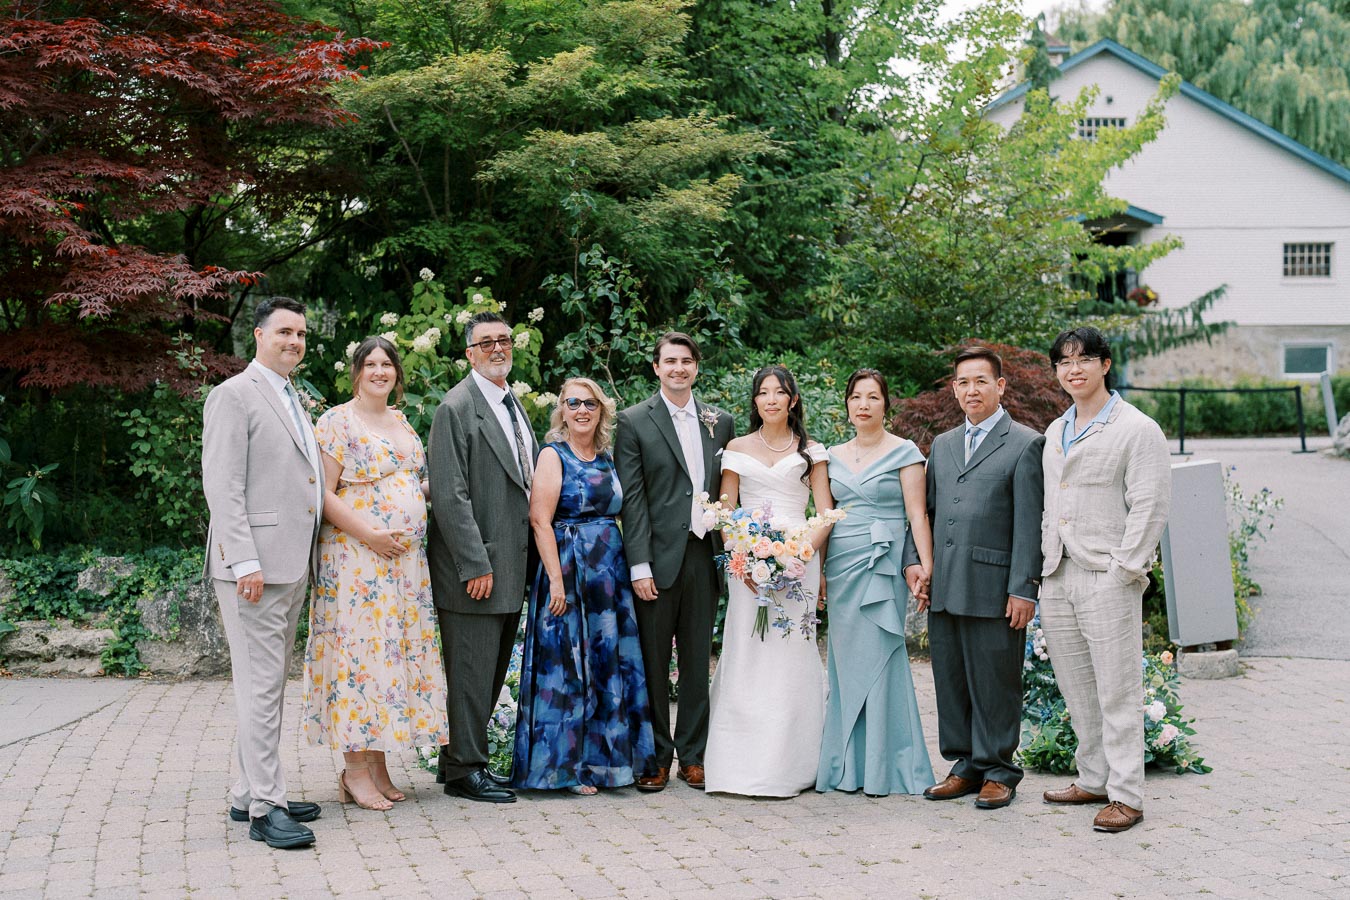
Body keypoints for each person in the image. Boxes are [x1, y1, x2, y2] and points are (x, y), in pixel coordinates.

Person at [300, 336, 450, 810]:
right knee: (360, 660)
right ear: (357, 372)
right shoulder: (336, 421)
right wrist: (371, 534)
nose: (380, 371)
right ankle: (354, 770)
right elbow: (324, 494)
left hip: (404, 565)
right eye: (371, 364)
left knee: (390, 660)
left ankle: (379, 764)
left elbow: (410, 481)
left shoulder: (402, 421)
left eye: (387, 364)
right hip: (357, 561)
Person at [202, 296, 324, 849]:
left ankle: (247, 789)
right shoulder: (234, 395)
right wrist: (244, 560)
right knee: (259, 687)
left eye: (300, 334)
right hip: (254, 567)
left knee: (268, 685)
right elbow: (222, 486)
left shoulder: (291, 396)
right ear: (257, 335)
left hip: (290, 563)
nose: (293, 342)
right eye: (283, 332)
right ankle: (265, 810)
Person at [1039, 326, 1171, 833]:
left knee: (1117, 689)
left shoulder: (1137, 428)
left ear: (1105, 364)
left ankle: (1127, 795)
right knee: (1076, 688)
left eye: (1084, 360)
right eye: (1064, 362)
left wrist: (1125, 570)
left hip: (1107, 575)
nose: (1074, 369)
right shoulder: (1055, 430)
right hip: (1057, 572)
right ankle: (1092, 778)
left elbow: (1151, 505)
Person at [902, 347, 1045, 810]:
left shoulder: (1025, 443)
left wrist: (1024, 587)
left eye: (981, 381)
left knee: (995, 680)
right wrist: (914, 563)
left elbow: (1030, 522)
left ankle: (999, 769)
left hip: (995, 585)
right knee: (951, 678)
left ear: (1000, 386)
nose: (971, 390)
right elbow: (924, 512)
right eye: (963, 382)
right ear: (955, 389)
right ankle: (964, 764)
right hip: (945, 584)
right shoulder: (942, 445)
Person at [511, 378, 657, 795]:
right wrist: (556, 581)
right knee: (569, 668)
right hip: (569, 573)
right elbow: (540, 520)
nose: (581, 410)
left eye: (589, 403)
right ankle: (565, 769)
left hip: (608, 579)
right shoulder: (552, 456)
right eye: (573, 403)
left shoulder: (608, 458)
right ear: (562, 409)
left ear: (601, 410)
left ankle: (604, 765)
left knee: (608, 664)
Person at [704, 365, 835, 797]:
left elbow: (825, 512)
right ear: (755, 401)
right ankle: (738, 762)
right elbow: (726, 510)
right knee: (748, 651)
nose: (772, 399)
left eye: (780, 392)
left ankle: (792, 763)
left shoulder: (811, 451)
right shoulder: (737, 447)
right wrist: (740, 560)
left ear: (793, 400)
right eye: (764, 393)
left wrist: (799, 555)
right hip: (747, 564)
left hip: (800, 560)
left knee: (792, 655)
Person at [614, 332, 735, 792]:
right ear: (656, 368)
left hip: (703, 556)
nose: (679, 368)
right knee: (652, 661)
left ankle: (694, 755)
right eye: (670, 361)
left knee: (696, 659)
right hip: (657, 561)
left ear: (696, 368)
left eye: (687, 361)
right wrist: (639, 565)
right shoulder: (633, 421)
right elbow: (634, 500)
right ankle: (656, 755)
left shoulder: (718, 422)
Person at [427, 312, 537, 804]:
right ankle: (466, 770)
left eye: (503, 340)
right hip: (477, 568)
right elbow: (450, 496)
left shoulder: (513, 403)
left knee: (488, 671)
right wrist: (475, 564)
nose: (497, 348)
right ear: (469, 353)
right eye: (485, 342)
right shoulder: (456, 407)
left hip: (513, 562)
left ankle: (458, 762)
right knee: (471, 671)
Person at [816, 369, 935, 797]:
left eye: (873, 397)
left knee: (884, 656)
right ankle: (845, 765)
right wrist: (819, 572)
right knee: (845, 665)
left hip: (883, 563)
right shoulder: (829, 455)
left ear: (887, 403)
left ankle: (887, 764)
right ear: (846, 404)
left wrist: (926, 564)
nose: (863, 404)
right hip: (843, 563)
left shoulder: (905, 451)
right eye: (856, 397)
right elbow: (825, 519)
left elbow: (916, 514)